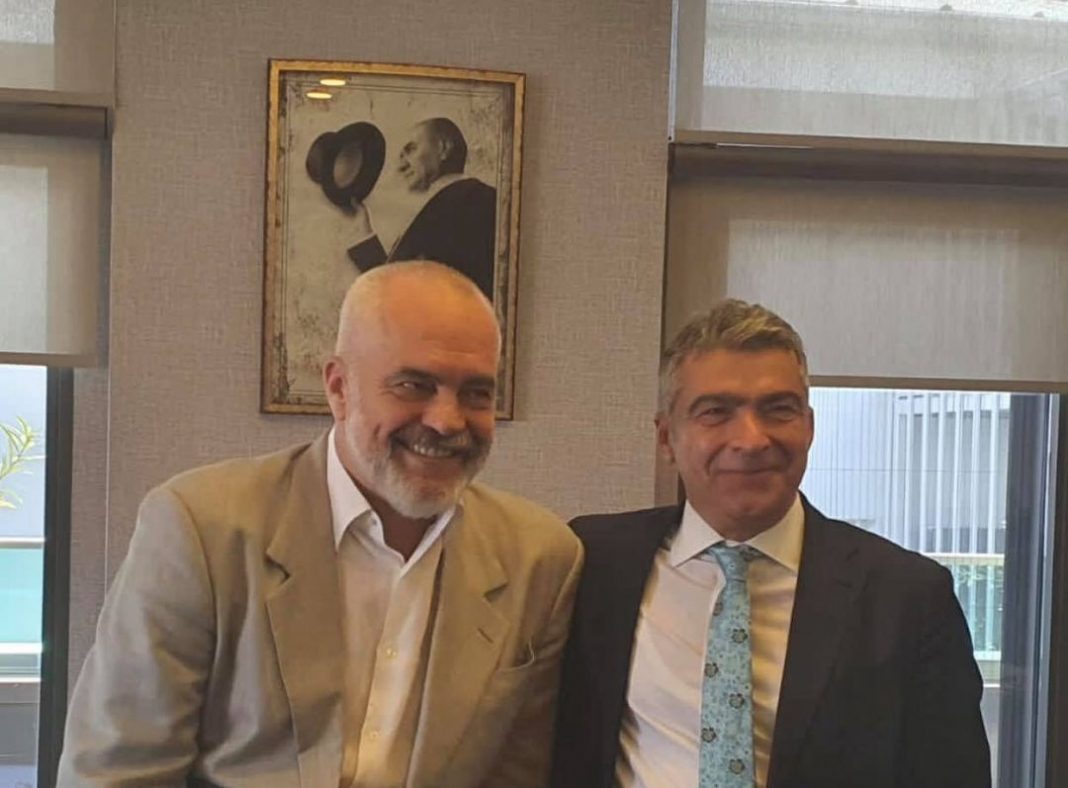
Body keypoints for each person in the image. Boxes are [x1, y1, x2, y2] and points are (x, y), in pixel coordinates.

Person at [59, 261, 582, 787]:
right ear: (338, 388)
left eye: (477, 393)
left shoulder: (540, 560)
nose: (447, 420)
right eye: (413, 385)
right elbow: (118, 772)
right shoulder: (201, 529)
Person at [551, 299, 991, 788]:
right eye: (715, 412)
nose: (752, 440)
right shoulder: (592, 561)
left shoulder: (907, 596)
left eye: (778, 410)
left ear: (809, 427)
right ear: (666, 438)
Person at [347, 118, 497, 300]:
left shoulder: (461, 206)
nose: (401, 166)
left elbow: (401, 299)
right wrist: (364, 232)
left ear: (443, 148)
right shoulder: (466, 202)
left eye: (410, 149)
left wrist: (364, 238)